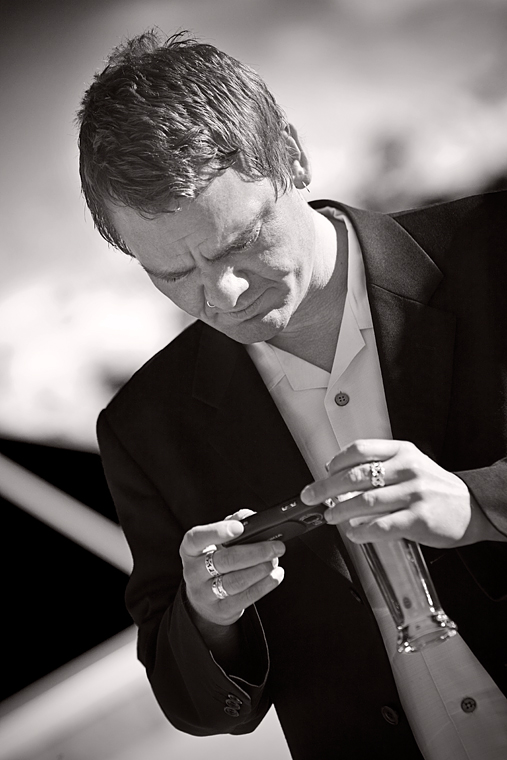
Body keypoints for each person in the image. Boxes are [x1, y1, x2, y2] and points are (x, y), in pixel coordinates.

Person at [77, 31, 507, 759]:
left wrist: (484, 505)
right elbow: (193, 703)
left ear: (293, 156)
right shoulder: (142, 427)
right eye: (173, 275)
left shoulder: (495, 247)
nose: (222, 294)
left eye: (236, 243)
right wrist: (208, 617)